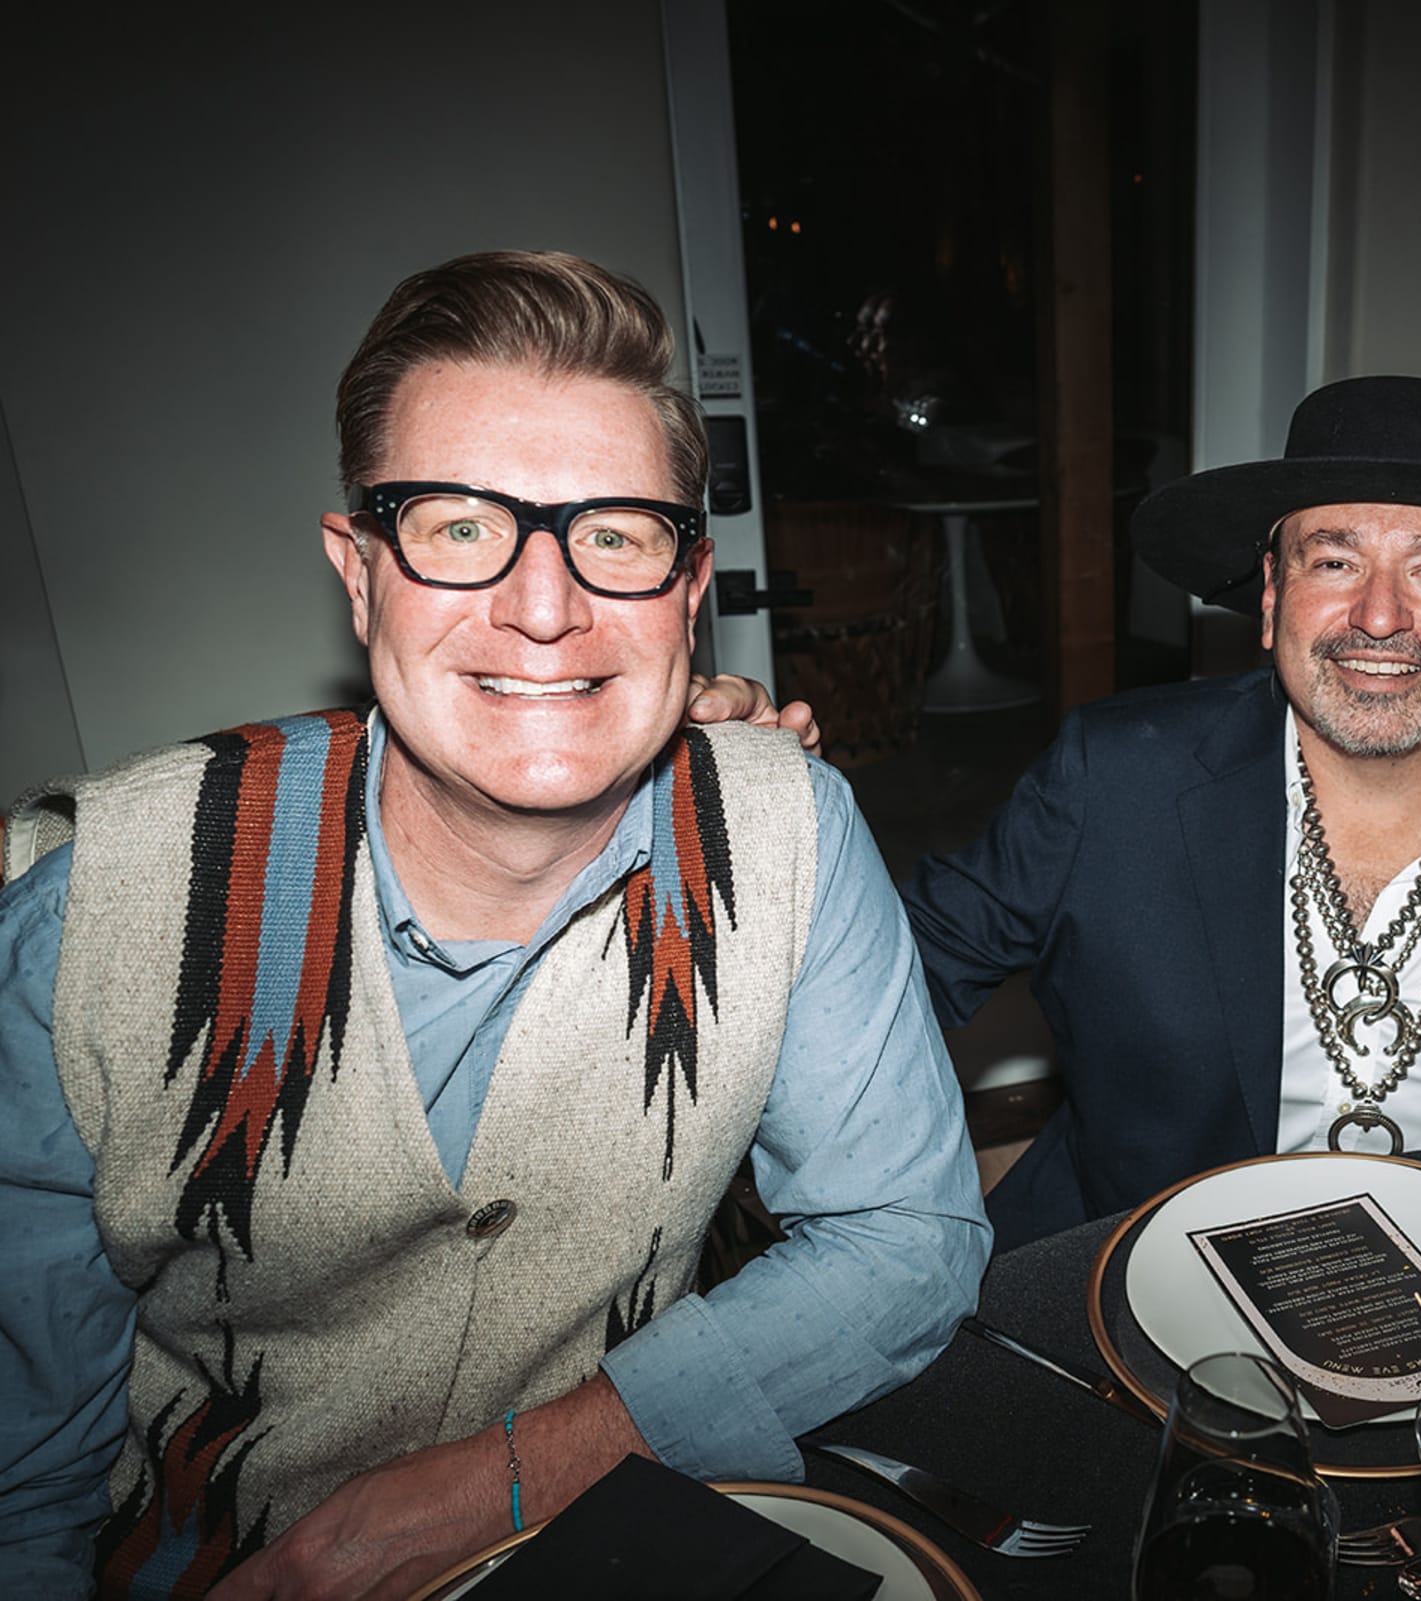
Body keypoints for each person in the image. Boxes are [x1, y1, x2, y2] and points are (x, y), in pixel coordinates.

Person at [0, 251, 989, 1601]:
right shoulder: (88, 925)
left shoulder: (791, 832)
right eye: (460, 527)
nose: (544, 605)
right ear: (359, 574)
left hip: (620, 1534)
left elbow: (906, 1238)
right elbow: (18, 1482)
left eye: (618, 533)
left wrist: (504, 1479)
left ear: (690, 591)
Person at [899, 375, 1421, 1250]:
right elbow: (897, 974)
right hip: (1127, 1269)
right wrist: (753, 797)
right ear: (1273, 593)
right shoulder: (1114, 777)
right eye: (1335, 560)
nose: (1380, 616)